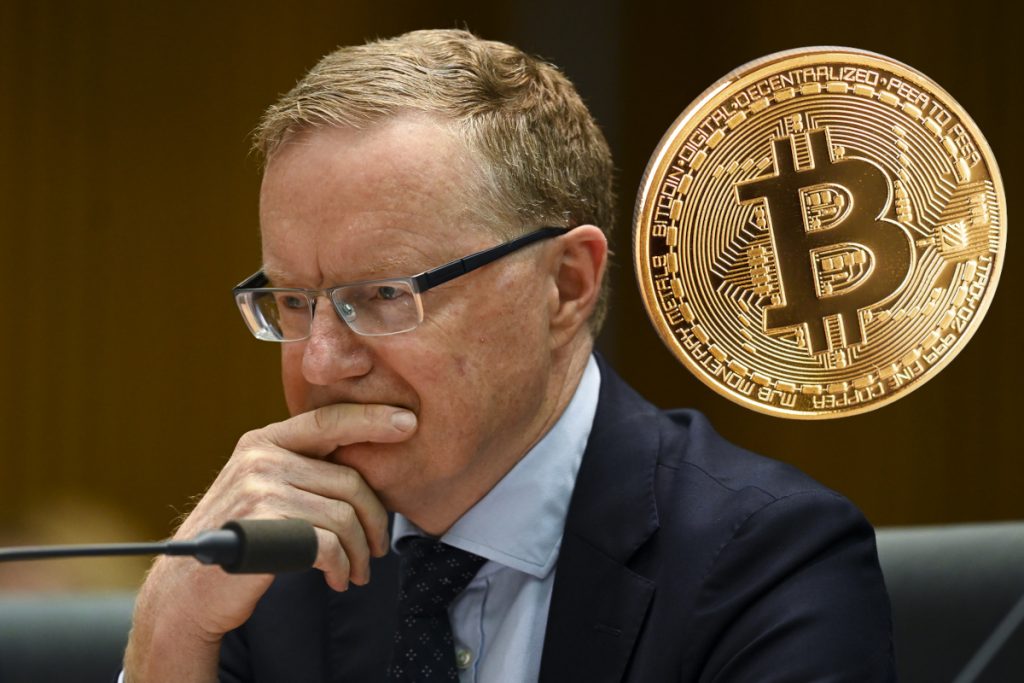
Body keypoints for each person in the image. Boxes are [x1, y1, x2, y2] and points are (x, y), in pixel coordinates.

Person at [123, 29, 895, 682]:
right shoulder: (273, 566)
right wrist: (168, 627)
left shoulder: (766, 561)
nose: (321, 363)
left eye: (384, 293)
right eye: (294, 301)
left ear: (566, 284)